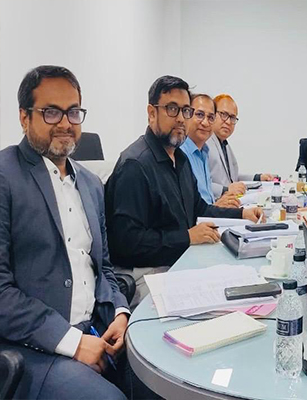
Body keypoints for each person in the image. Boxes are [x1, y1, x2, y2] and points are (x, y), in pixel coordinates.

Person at [0, 65, 129, 399]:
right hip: (32, 347)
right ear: (24, 117)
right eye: (51, 112)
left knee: (156, 378)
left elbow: (104, 268)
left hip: (97, 329)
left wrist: (119, 312)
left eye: (73, 111)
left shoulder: (91, 184)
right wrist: (73, 343)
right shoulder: (5, 176)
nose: (65, 123)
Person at [105, 75, 263, 306]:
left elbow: (199, 208)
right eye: (172, 109)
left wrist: (242, 214)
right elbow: (125, 243)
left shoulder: (179, 159)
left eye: (185, 111)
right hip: (145, 272)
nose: (181, 118)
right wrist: (187, 237)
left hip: (179, 258)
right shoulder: (135, 165)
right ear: (151, 113)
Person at [207, 93, 275, 199]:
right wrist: (226, 190)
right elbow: (199, 183)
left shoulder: (224, 144)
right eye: (223, 114)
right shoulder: (204, 143)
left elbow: (232, 179)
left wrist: (258, 177)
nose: (228, 122)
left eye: (232, 117)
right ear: (212, 114)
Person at [182, 93, 241, 208]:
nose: (205, 122)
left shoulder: (203, 152)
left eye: (210, 118)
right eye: (199, 115)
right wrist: (217, 205)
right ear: (187, 115)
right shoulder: (180, 154)